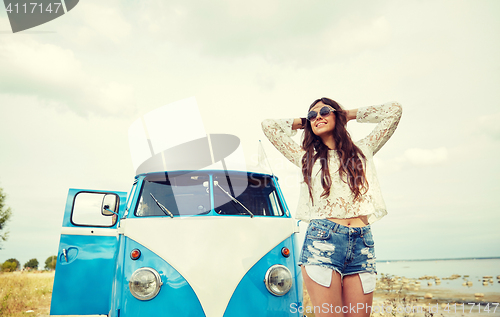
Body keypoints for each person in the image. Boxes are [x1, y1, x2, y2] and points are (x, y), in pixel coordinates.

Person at [261, 98, 402, 317]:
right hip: (322, 243)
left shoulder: (364, 149)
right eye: (312, 115)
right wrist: (303, 121)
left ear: (337, 115)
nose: (318, 117)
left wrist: (347, 114)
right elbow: (269, 126)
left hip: (361, 243)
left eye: (325, 111)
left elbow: (394, 111)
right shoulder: (306, 157)